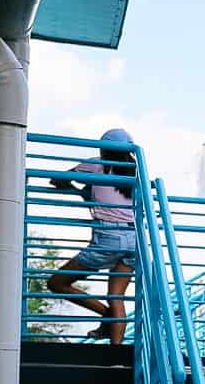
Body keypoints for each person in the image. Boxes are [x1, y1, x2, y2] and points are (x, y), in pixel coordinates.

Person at [47, 127, 138, 344]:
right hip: (134, 239)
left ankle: (106, 316)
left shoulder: (96, 164)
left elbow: (56, 179)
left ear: (103, 149)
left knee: (57, 283)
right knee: (117, 297)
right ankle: (115, 354)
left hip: (109, 237)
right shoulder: (137, 171)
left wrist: (76, 186)